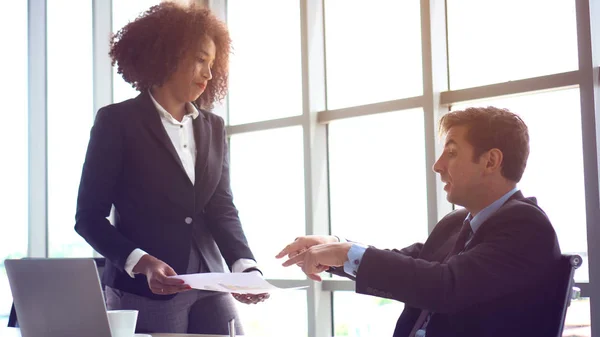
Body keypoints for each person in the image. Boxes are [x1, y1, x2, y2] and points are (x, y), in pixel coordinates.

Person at [276, 107, 562, 337]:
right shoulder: (457, 223)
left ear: (491, 161)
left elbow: (444, 286)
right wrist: (335, 248)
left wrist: (345, 252)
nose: (438, 166)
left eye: (451, 153)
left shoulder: (526, 226)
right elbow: (409, 264)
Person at [75, 3, 268, 335]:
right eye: (199, 60)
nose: (209, 73)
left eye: (212, 63)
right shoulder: (117, 122)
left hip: (209, 280)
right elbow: (89, 218)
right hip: (146, 288)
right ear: (166, 55)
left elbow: (220, 207)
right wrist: (143, 262)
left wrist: (245, 266)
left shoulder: (213, 126)